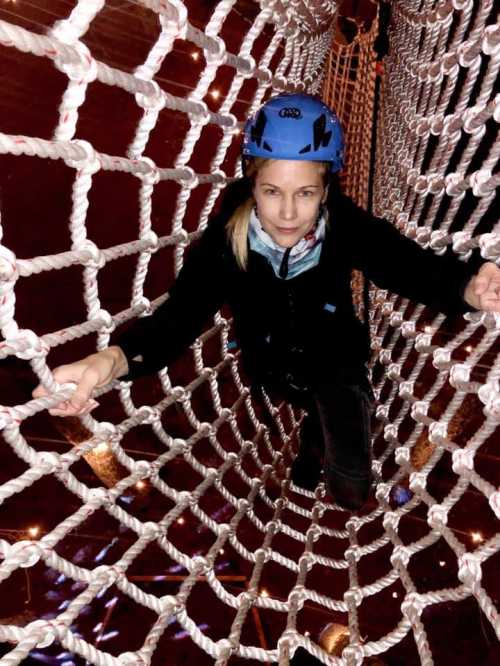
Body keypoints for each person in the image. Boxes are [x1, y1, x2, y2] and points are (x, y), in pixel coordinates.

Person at [33, 93, 500, 511]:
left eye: (306, 194)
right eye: (272, 192)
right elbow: (179, 317)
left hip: (337, 359)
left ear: (326, 190)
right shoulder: (226, 243)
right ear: (253, 184)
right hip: (274, 367)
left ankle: (321, 432)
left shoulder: (343, 226)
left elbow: (407, 266)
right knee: (307, 409)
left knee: (351, 490)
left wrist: (466, 288)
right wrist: (111, 361)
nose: (289, 213)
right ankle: (312, 431)